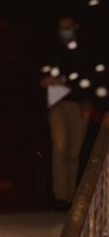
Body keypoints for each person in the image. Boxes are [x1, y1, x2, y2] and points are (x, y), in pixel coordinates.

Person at [40, 14, 91, 212]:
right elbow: (43, 72)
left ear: (76, 27)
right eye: (62, 27)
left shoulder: (84, 50)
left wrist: (66, 82)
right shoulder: (53, 49)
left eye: (68, 27)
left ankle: (71, 196)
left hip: (78, 104)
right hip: (57, 103)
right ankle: (60, 196)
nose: (64, 31)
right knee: (60, 147)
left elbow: (87, 77)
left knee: (74, 151)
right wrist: (46, 80)